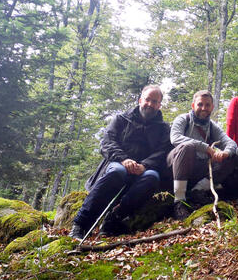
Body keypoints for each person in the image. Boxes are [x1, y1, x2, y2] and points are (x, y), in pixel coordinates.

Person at [70, 85, 172, 240]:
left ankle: (114, 219)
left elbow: (163, 151)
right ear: (140, 100)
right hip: (117, 164)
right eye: (147, 100)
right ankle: (80, 224)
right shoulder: (121, 119)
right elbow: (107, 142)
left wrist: (145, 165)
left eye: (155, 101)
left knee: (152, 177)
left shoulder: (164, 128)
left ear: (159, 105)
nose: (150, 104)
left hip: (143, 170)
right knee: (118, 171)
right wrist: (124, 159)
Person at [167, 90, 237, 220]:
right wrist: (205, 147)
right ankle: (179, 201)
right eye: (200, 104)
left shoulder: (212, 126)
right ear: (193, 105)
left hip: (200, 167)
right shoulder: (183, 119)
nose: (203, 108)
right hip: (178, 164)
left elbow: (230, 143)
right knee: (187, 147)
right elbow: (175, 138)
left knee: (232, 157)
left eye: (207, 105)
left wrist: (225, 152)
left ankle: (198, 191)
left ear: (212, 107)